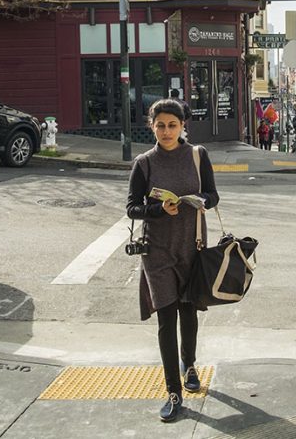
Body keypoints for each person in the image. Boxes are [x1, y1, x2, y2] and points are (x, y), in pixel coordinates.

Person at [127, 98, 220, 423]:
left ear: (183, 127)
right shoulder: (144, 162)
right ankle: (173, 391)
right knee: (166, 319)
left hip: (192, 247)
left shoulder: (198, 156)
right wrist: (156, 210)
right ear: (151, 126)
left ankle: (190, 364)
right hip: (157, 252)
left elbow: (213, 194)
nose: (166, 131)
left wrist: (200, 201)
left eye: (172, 125)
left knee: (189, 311)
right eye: (160, 125)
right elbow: (132, 208)